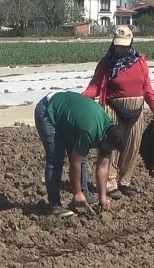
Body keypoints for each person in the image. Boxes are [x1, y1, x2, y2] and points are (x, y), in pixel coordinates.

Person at [82, 25, 154, 199]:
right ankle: (110, 184)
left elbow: (146, 85)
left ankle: (124, 182)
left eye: (125, 45)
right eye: (118, 45)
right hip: (114, 110)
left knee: (131, 149)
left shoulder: (140, 61)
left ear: (131, 43)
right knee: (111, 148)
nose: (121, 49)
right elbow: (95, 85)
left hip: (136, 112)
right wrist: (85, 97)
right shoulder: (106, 63)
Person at [34, 90, 125, 218]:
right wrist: (76, 192)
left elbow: (103, 167)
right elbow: (75, 162)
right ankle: (54, 206)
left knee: (81, 156)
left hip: (70, 116)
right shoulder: (89, 131)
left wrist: (103, 197)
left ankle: (85, 194)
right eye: (108, 148)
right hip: (48, 110)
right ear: (105, 137)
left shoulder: (110, 134)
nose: (107, 151)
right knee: (56, 159)